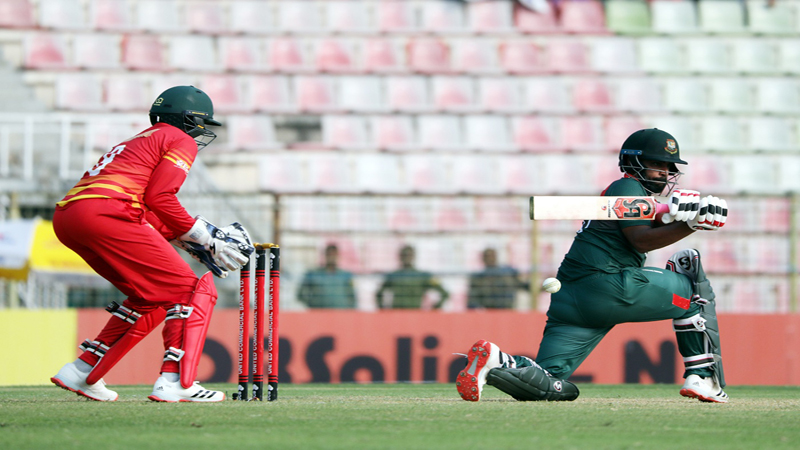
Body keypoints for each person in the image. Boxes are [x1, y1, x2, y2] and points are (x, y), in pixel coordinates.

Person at [457, 128, 730, 403]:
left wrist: (679, 216)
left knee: (550, 382)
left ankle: (495, 360)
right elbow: (640, 240)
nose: (664, 172)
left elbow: (647, 222)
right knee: (692, 291)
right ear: (633, 162)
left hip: (573, 299)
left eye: (669, 167)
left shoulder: (631, 194)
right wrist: (691, 224)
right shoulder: (627, 186)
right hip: (608, 283)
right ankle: (702, 377)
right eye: (657, 164)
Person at [50, 86, 253, 402]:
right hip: (108, 212)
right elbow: (160, 197)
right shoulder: (179, 139)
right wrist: (204, 236)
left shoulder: (141, 138)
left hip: (70, 217)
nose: (201, 133)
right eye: (201, 124)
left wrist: (186, 239)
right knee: (189, 290)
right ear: (189, 119)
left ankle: (82, 371)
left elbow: (142, 202)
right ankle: (177, 382)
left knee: (151, 297)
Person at [376, 245, 449, 309]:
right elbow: (378, 294)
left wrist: (434, 310)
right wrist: (384, 311)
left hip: (415, 315)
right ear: (400, 257)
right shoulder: (392, 276)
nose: (407, 258)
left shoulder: (423, 276)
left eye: (409, 255)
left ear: (413, 256)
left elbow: (444, 293)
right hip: (397, 315)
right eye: (404, 255)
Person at [297, 243, 357, 308]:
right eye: (329, 254)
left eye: (334, 254)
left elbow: (352, 297)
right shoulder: (314, 274)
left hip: (340, 314)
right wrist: (313, 303)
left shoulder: (345, 276)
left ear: (338, 256)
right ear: (325, 255)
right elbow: (301, 294)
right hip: (320, 314)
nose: (332, 257)